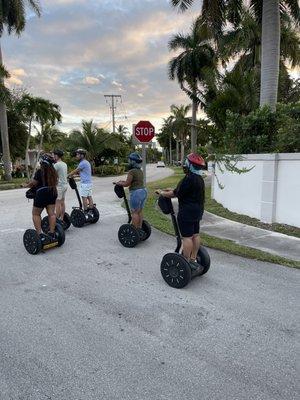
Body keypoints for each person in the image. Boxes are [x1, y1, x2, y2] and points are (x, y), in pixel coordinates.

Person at [157, 153, 206, 269]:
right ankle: (193, 258)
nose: (185, 165)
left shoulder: (188, 178)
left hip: (187, 212)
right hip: (198, 211)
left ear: (190, 165)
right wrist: (173, 190)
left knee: (187, 238)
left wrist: (162, 193)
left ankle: (186, 261)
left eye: (186, 163)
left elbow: (175, 194)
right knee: (195, 235)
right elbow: (183, 191)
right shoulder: (199, 179)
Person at [25, 154, 58, 238]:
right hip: (52, 192)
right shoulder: (53, 171)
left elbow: (34, 183)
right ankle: (52, 232)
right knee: (52, 214)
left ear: (42, 162)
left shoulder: (40, 171)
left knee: (36, 214)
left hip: (41, 194)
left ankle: (40, 234)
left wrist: (27, 185)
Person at [116, 152, 147, 238]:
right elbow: (134, 181)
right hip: (143, 191)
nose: (129, 161)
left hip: (136, 193)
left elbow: (127, 184)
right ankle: (139, 229)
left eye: (130, 160)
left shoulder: (131, 171)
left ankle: (134, 231)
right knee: (139, 211)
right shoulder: (140, 171)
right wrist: (123, 182)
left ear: (133, 161)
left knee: (134, 213)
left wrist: (119, 183)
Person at [52, 149, 68, 222]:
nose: (53, 157)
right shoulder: (64, 164)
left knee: (57, 203)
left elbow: (52, 174)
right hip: (65, 185)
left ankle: (57, 220)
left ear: (56, 156)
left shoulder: (56, 165)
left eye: (54, 155)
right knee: (62, 202)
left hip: (60, 186)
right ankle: (61, 218)